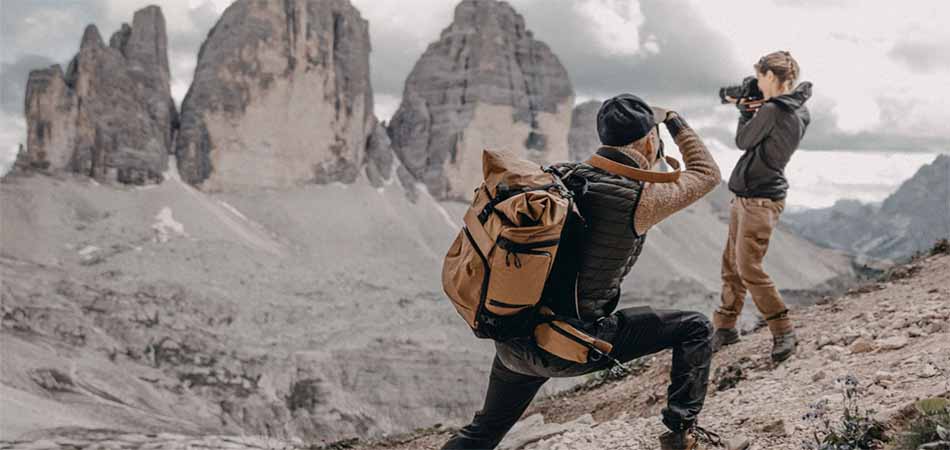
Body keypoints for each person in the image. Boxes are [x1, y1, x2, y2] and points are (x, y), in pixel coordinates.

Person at [442, 94, 723, 450]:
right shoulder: (640, 198)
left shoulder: (555, 176)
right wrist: (675, 120)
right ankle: (682, 435)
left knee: (483, 432)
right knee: (695, 327)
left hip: (514, 339)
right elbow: (706, 173)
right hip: (569, 345)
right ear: (650, 141)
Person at [712, 51, 812, 362]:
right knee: (732, 265)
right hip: (751, 196)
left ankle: (784, 331)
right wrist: (754, 109)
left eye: (759, 77)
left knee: (748, 268)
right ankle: (725, 328)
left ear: (771, 77)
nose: (756, 83)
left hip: (758, 199)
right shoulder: (797, 110)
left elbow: (743, 140)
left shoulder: (772, 110)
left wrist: (744, 111)